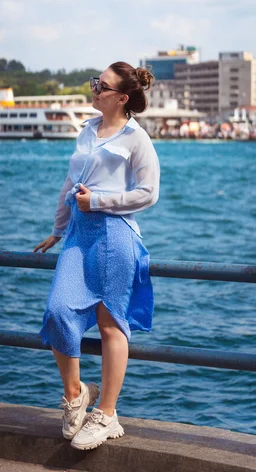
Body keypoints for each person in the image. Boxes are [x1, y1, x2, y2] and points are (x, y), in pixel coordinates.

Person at [34, 61, 160, 451]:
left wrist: (100, 202)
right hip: (78, 234)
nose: (94, 90)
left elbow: (148, 193)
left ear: (122, 98)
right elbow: (70, 185)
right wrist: (57, 229)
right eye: (95, 83)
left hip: (116, 235)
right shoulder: (87, 130)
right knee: (58, 311)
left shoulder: (136, 138)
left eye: (102, 86)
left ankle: (106, 413)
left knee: (110, 325)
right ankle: (76, 395)